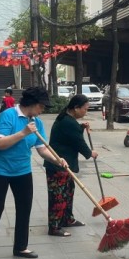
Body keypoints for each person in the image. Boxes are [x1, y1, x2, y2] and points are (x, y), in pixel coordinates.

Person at [0, 87, 63, 259]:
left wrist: (58, 159)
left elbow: (42, 148)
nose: (43, 110)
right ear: (32, 104)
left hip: (22, 171)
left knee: (24, 208)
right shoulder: (8, 116)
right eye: (41, 106)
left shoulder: (36, 122)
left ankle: (21, 247)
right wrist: (23, 132)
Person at [44, 94, 98, 237]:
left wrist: (81, 127)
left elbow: (71, 134)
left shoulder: (68, 119)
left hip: (65, 164)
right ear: (76, 108)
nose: (86, 112)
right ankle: (54, 227)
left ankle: (67, 218)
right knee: (58, 195)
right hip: (58, 165)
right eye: (85, 109)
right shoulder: (68, 122)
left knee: (68, 192)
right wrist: (90, 153)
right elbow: (78, 141)